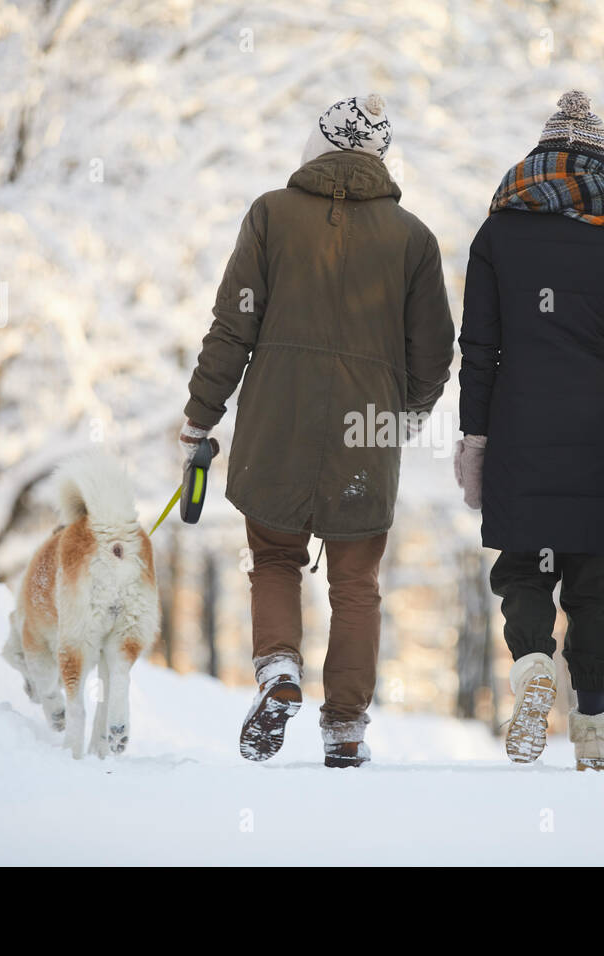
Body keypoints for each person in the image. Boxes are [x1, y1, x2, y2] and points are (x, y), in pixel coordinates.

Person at [180, 94, 454, 768]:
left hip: (278, 419)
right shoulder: (414, 238)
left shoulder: (271, 214)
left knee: (275, 556)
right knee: (355, 581)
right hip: (367, 430)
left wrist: (200, 415)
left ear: (317, 147)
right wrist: (402, 413)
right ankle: (346, 727)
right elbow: (436, 352)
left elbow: (233, 325)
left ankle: (278, 670)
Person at [455, 91, 604, 771]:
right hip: (595, 427)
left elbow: (478, 350)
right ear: (601, 163)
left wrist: (474, 441)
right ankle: (591, 730)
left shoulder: (498, 233)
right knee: (590, 579)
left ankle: (530, 673)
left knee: (523, 567)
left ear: (539, 158)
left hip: (518, 420)